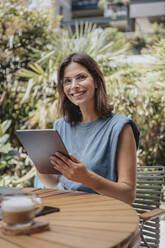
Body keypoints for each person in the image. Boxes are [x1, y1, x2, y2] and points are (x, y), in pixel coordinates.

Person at [34, 52, 139, 204]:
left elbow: (128, 196)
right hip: (69, 208)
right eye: (67, 81)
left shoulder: (120, 127)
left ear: (96, 81)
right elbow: (53, 182)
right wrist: (39, 163)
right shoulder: (60, 125)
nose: (74, 86)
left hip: (104, 213)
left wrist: (87, 178)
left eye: (81, 77)